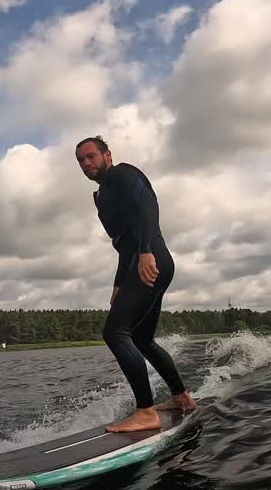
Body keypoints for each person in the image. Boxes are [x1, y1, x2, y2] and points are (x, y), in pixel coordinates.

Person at [76, 135, 197, 432]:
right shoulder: (102, 194)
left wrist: (145, 252)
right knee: (142, 339)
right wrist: (119, 283)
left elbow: (147, 206)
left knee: (115, 332)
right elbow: (124, 244)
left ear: (107, 155)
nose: (86, 163)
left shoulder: (122, 173)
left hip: (151, 259)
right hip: (145, 261)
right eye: (80, 160)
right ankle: (181, 397)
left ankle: (145, 413)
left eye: (91, 156)